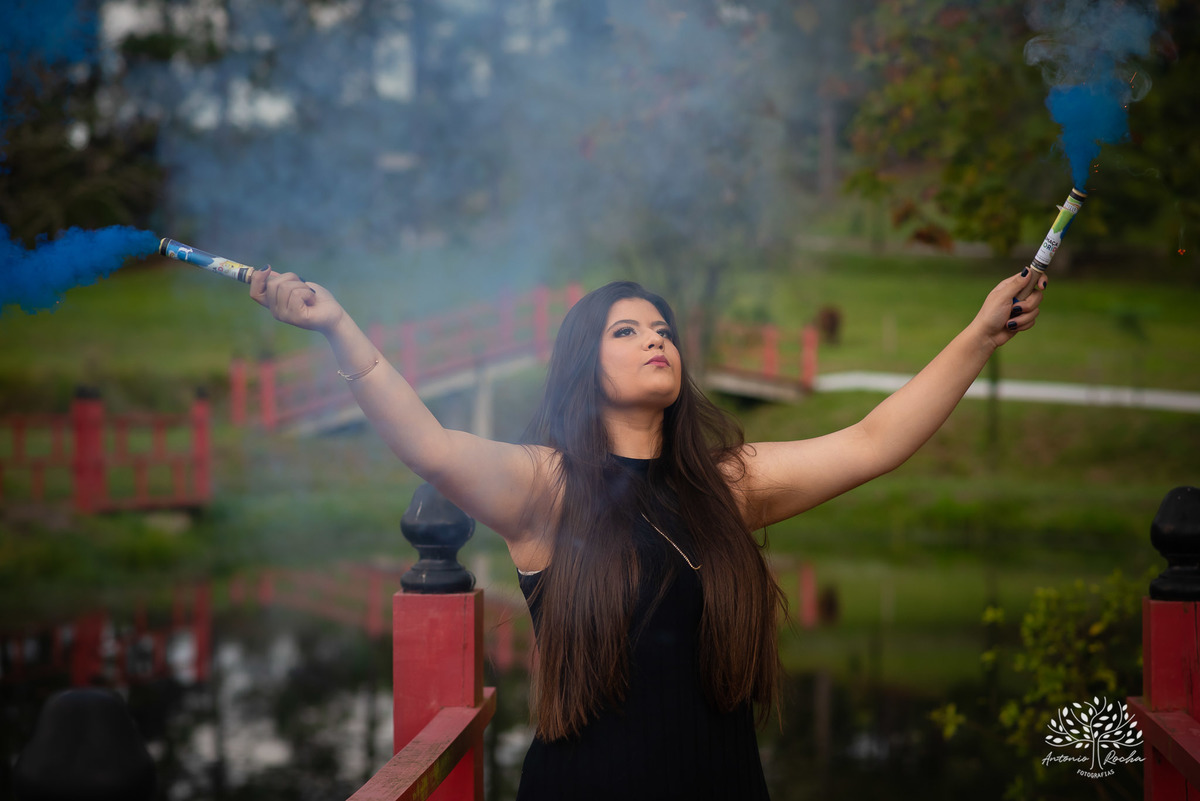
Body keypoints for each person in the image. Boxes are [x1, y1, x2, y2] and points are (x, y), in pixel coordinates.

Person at [250, 267, 1047, 799]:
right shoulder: (547, 487)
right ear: (583, 366)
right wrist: (337, 327)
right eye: (625, 331)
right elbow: (428, 444)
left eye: (661, 328)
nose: (655, 338)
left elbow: (874, 442)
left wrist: (980, 334)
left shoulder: (727, 486)